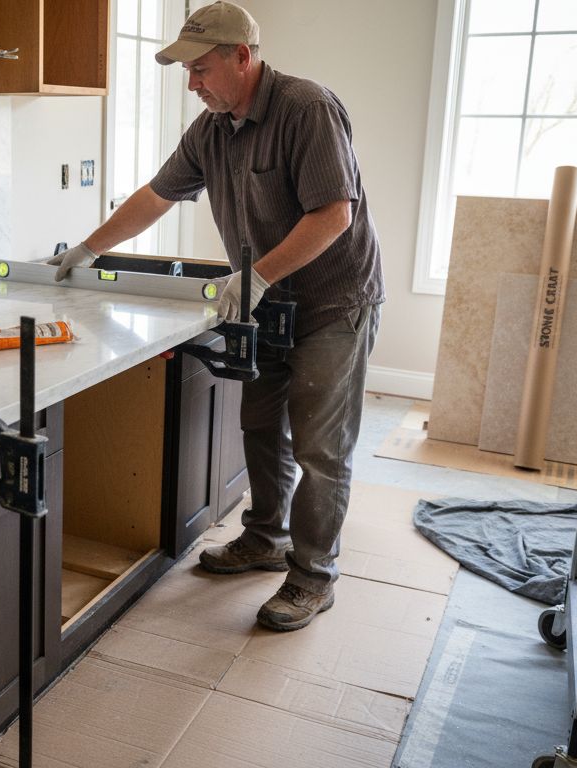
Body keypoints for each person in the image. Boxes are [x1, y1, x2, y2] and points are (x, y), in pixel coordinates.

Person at [48, 0, 383, 631]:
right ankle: (264, 539)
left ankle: (313, 578)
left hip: (334, 303)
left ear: (242, 56)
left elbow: (334, 215)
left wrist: (256, 276)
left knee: (320, 448)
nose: (193, 83)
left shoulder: (306, 108)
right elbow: (156, 195)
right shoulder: (210, 130)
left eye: (202, 69)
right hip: (268, 304)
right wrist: (90, 248)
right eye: (187, 72)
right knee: (260, 425)